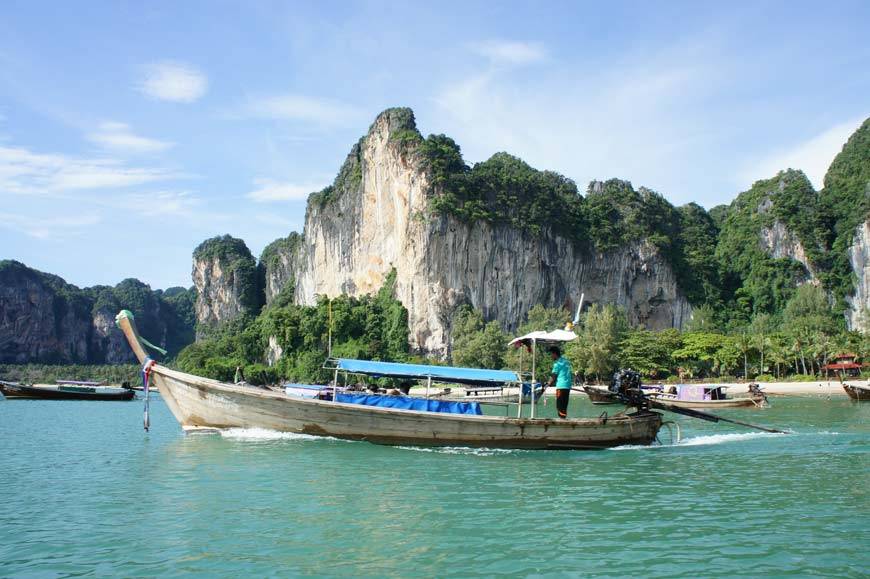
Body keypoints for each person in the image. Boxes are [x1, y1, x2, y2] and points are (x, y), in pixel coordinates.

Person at [546, 346, 573, 418]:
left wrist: (547, 384)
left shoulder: (557, 364)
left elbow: (553, 377)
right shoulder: (566, 361)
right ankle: (564, 425)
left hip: (561, 386)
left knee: (559, 407)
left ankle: (561, 422)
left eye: (551, 354)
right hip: (567, 386)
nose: (551, 356)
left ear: (554, 354)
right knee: (564, 406)